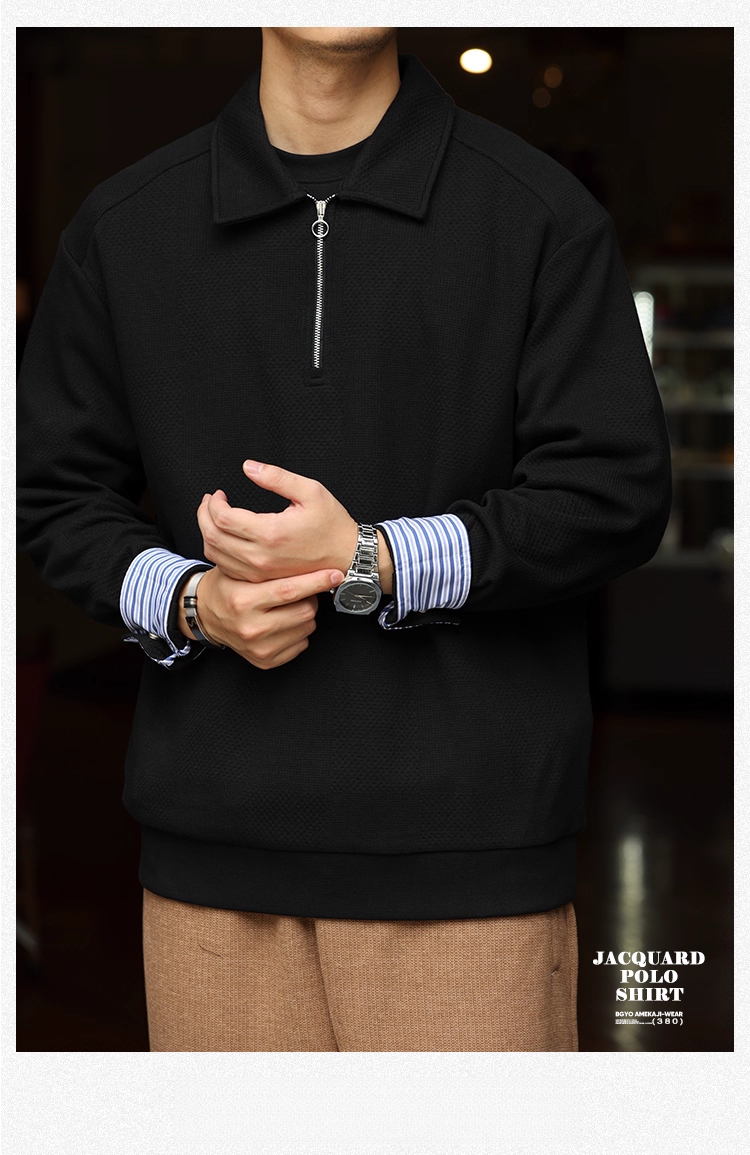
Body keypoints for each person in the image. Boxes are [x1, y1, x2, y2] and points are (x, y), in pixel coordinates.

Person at [16, 26, 673, 1051]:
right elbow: (47, 489)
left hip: (469, 867)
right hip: (207, 863)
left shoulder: (537, 212)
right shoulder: (125, 223)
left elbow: (615, 491)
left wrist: (376, 557)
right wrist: (195, 602)